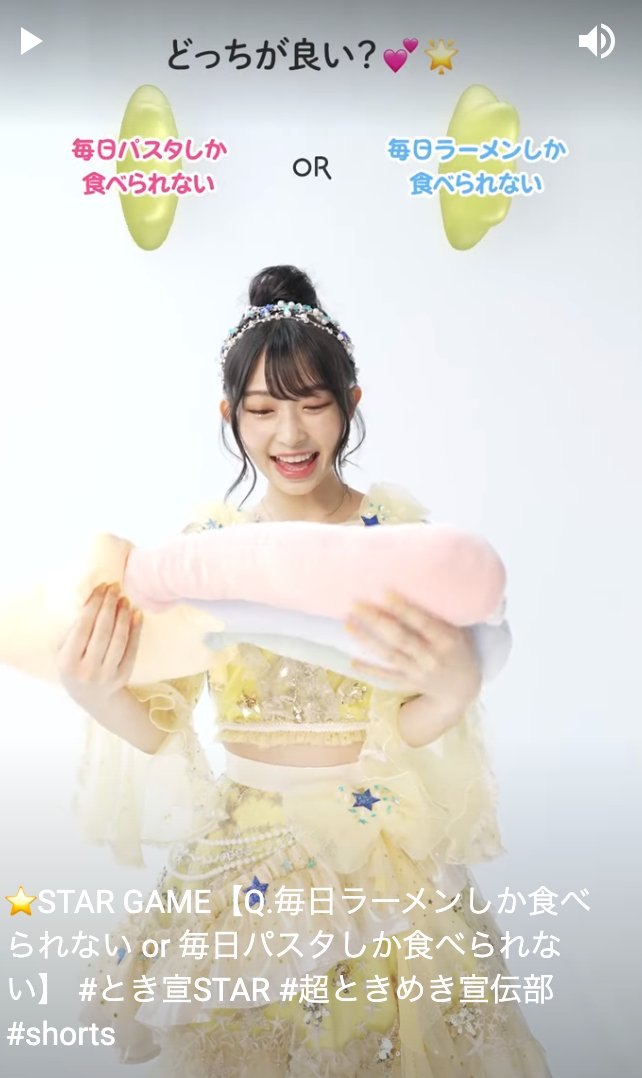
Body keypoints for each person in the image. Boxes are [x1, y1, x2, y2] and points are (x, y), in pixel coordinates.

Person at [59, 266, 553, 1076]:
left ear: (350, 403)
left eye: (312, 403)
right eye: (262, 410)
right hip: (241, 850)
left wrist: (454, 688)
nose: (289, 434)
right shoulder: (203, 552)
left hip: (372, 844)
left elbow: (406, 721)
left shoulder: (397, 538)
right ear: (230, 416)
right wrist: (93, 690)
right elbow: (160, 724)